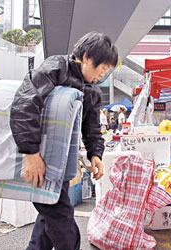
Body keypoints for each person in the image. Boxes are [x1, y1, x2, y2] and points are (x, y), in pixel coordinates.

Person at [9, 31, 118, 250]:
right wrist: (31, 154)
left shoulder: (92, 90)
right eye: (102, 69)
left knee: (49, 211)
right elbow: (24, 106)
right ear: (86, 57)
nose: (101, 76)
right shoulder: (55, 69)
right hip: (39, 157)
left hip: (60, 163)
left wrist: (95, 154)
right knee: (61, 219)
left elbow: (92, 126)